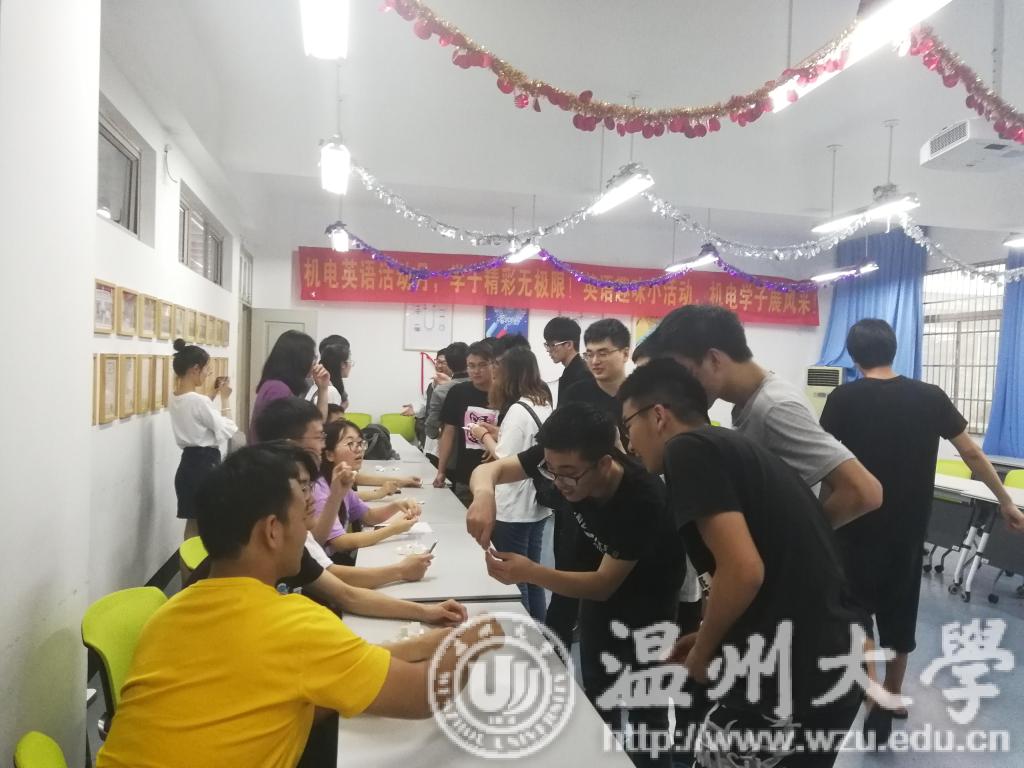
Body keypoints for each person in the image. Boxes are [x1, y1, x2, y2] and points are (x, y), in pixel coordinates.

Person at [97, 443, 498, 768]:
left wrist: (419, 646)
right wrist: (476, 637)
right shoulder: (294, 623)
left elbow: (286, 685)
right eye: (301, 514)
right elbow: (423, 693)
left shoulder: (169, 613)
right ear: (272, 531)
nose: (309, 526)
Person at [620, 359, 863, 768]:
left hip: (792, 674)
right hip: (824, 663)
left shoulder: (687, 450)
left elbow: (743, 570)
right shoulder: (728, 447)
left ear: (658, 416)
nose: (629, 443)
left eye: (628, 426)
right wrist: (706, 635)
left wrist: (703, 653)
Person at [820, 318, 1024, 740]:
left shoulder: (843, 398)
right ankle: (893, 696)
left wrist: (820, 518)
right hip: (908, 529)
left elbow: (825, 462)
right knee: (900, 613)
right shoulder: (930, 396)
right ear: (894, 349)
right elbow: (971, 454)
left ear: (853, 356)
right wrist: (1006, 501)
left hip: (853, 527)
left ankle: (871, 691)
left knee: (855, 614)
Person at [471, 403, 684, 768]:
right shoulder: (562, 455)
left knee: (647, 712)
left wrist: (529, 572)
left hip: (649, 607)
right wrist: (484, 496)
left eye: (569, 475)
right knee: (599, 695)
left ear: (604, 463)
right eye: (550, 471)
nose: (558, 482)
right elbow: (490, 469)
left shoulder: (642, 497)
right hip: (597, 599)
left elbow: (603, 584)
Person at [645, 305, 882, 529]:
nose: (680, 388)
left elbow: (863, 491)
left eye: (685, 373)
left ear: (714, 360)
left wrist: (801, 542)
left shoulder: (774, 407)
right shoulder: (748, 402)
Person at [252, 397, 440, 592]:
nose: (322, 445)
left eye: (360, 443)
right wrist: (397, 550)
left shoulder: (331, 483)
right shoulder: (306, 491)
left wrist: (395, 505)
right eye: (319, 438)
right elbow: (335, 569)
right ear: (291, 445)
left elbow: (359, 520)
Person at [546, 318, 632, 651]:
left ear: (625, 353)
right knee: (567, 583)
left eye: (603, 353)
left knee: (614, 591)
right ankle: (554, 655)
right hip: (578, 503)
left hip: (623, 506)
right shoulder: (578, 392)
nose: (595, 361)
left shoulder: (638, 396)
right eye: (589, 353)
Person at [468, 347, 553, 619]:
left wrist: (483, 435)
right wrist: (499, 432)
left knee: (514, 579)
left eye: (497, 374)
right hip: (538, 505)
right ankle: (539, 632)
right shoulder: (542, 401)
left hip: (513, 505)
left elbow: (505, 459)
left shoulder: (517, 409)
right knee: (533, 575)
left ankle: (524, 634)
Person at [316, 418, 424, 556]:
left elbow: (368, 516)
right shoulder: (320, 490)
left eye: (361, 443)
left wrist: (397, 505)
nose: (360, 449)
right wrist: (393, 529)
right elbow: (340, 542)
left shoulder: (341, 481)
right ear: (329, 454)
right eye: (351, 444)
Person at [168, 338, 237, 540]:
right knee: (209, 524)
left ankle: (189, 562)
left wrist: (213, 394)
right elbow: (229, 429)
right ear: (195, 369)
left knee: (193, 524)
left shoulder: (175, 397)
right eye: (207, 368)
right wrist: (225, 398)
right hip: (205, 466)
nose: (209, 373)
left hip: (187, 465)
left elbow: (197, 413)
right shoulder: (198, 401)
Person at [433, 340, 496, 505]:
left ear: (493, 364)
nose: (476, 371)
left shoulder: (505, 393)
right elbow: (448, 432)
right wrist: (441, 470)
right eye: (471, 366)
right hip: (465, 474)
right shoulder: (458, 392)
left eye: (482, 365)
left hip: (496, 477)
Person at [251, 330, 329, 440]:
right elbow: (314, 427)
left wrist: (323, 388)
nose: (315, 362)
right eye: (312, 357)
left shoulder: (275, 385)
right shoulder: (277, 389)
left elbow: (316, 424)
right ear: (299, 359)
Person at [424, 341, 469, 468]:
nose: (439, 365)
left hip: (450, 453)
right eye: (437, 361)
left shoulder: (443, 390)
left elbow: (431, 429)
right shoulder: (483, 387)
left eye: (443, 362)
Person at [543, 316, 591, 401]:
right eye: (547, 345)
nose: (549, 350)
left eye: (552, 345)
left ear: (569, 345)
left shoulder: (580, 376)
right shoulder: (573, 370)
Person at [306, 340, 351, 413]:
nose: (351, 365)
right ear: (343, 364)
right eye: (350, 361)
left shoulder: (317, 383)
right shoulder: (330, 390)